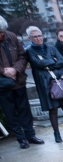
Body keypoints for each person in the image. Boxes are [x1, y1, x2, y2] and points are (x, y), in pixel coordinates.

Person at [25, 26, 63, 143]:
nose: (39, 38)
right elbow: (37, 63)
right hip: (45, 82)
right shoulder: (29, 51)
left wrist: (47, 64)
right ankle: (56, 134)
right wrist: (53, 61)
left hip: (59, 79)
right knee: (53, 109)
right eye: (35, 36)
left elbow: (61, 60)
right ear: (30, 38)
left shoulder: (51, 47)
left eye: (40, 35)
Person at [0, 17, 44, 149]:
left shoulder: (12, 37)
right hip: (3, 85)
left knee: (25, 110)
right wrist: (4, 71)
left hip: (18, 81)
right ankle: (21, 139)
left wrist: (15, 70)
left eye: (2, 31)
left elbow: (22, 55)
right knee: (10, 113)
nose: (1, 34)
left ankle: (30, 135)